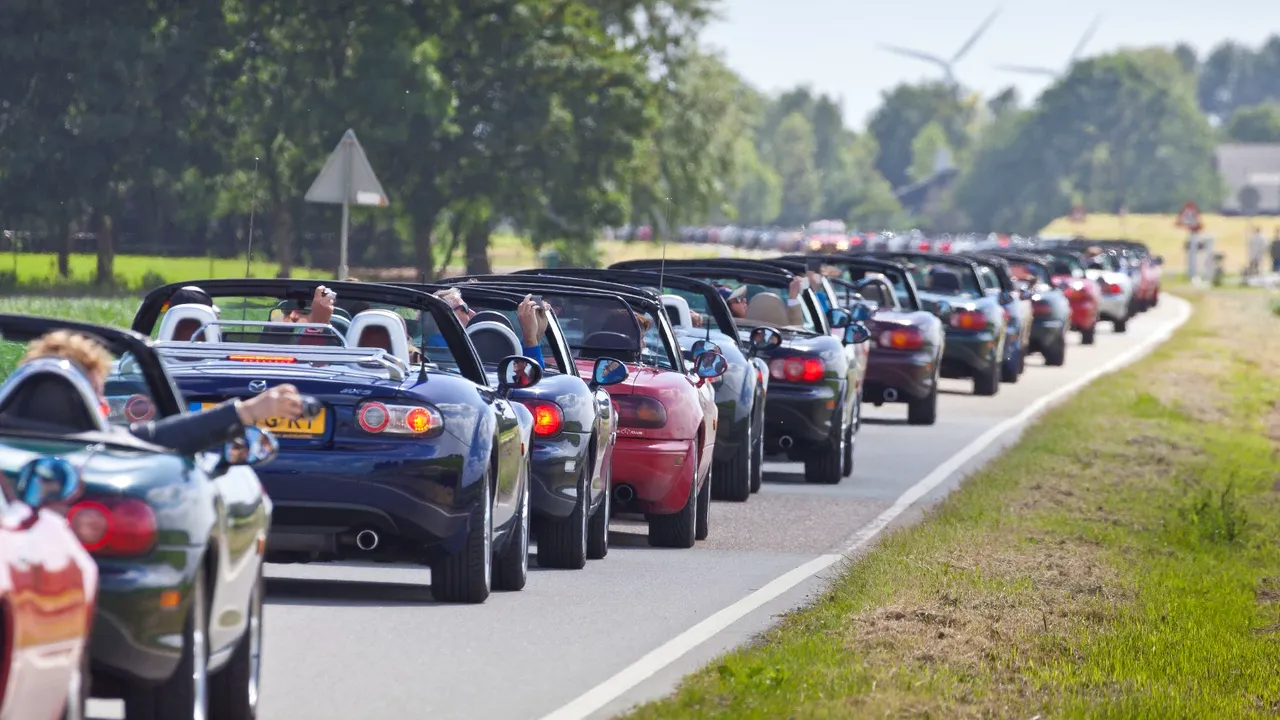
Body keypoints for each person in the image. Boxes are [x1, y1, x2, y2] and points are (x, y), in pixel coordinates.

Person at [17, 330, 307, 457]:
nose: (104, 405)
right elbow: (162, 438)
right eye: (97, 394)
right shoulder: (103, 450)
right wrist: (249, 412)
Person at [432, 288, 547, 369]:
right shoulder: (447, 349)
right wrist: (530, 337)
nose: (473, 313)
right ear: (443, 314)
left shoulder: (426, 349)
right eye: (465, 309)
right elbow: (528, 378)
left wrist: (535, 335)